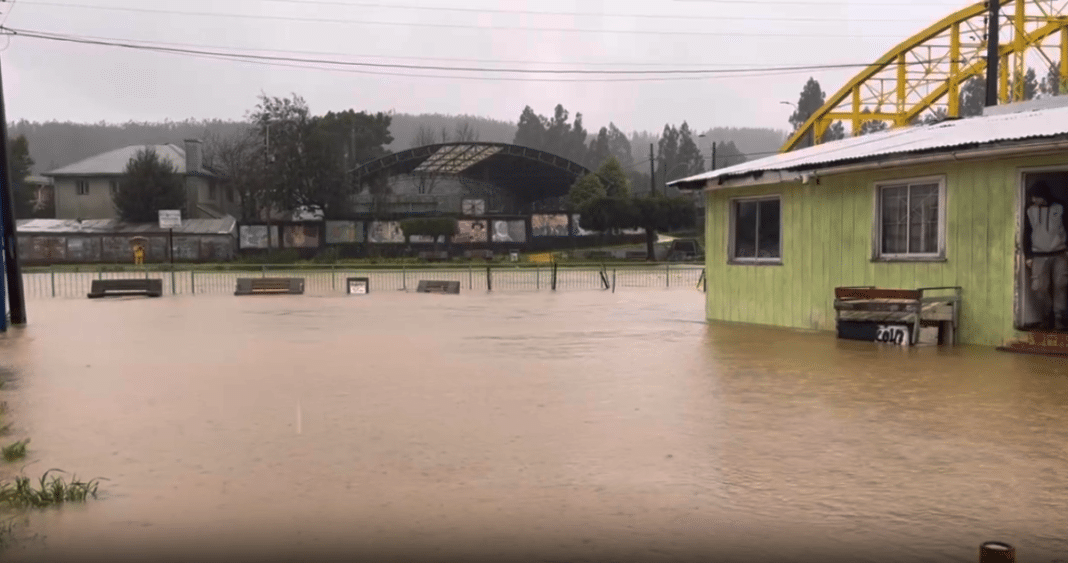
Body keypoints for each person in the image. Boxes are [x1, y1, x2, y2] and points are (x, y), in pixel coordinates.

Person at [1024, 181, 1068, 330]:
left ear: (1043, 195)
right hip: (1038, 255)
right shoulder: (1029, 210)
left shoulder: (1060, 207)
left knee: (1061, 287)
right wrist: (1028, 255)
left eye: (1035, 197)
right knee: (1039, 288)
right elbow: (1026, 233)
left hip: (1060, 254)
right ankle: (1045, 318)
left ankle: (1059, 320)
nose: (1033, 200)